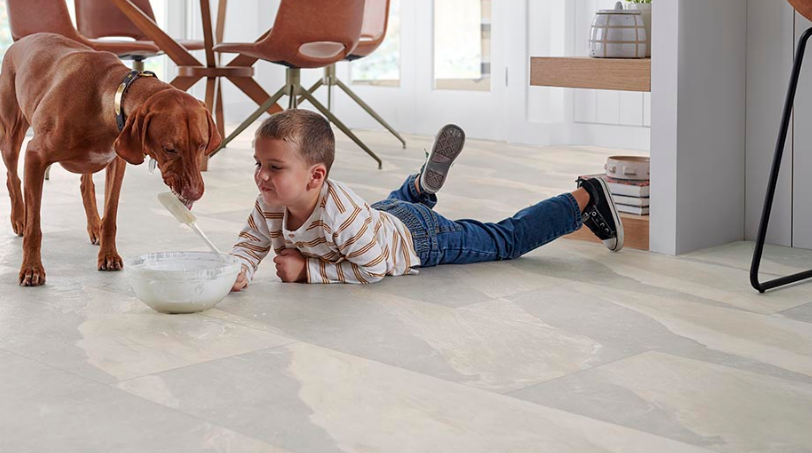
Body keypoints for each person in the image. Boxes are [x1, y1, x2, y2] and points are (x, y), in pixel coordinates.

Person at [230, 110, 622, 290]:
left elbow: (375, 268)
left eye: (275, 167)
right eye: (259, 163)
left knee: (506, 239)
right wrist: (239, 268)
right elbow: (252, 242)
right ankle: (419, 189)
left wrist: (307, 272)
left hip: (420, 238)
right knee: (386, 211)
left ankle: (587, 196)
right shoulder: (270, 200)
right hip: (382, 218)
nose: (261, 175)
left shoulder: (339, 215)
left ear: (316, 176)